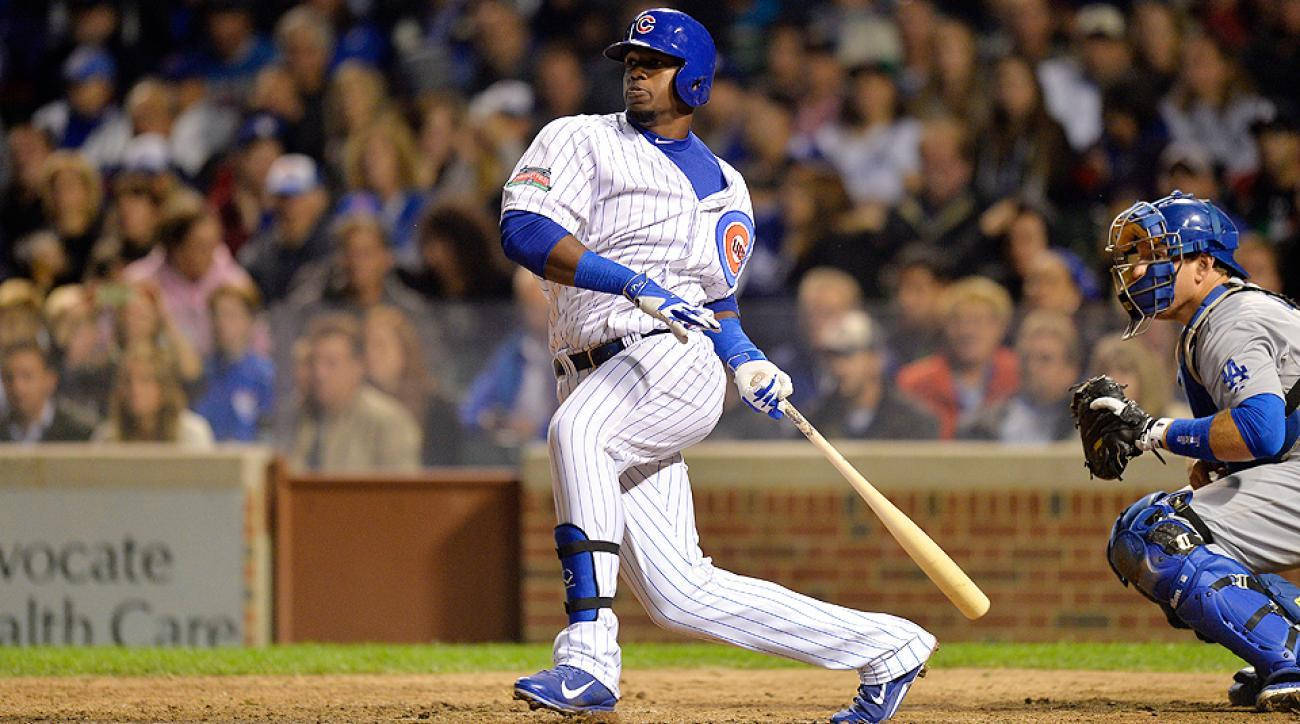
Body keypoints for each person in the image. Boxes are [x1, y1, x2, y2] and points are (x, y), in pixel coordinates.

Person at [497, 10, 935, 722]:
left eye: (654, 60)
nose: (636, 70)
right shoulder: (578, 137)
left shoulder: (725, 184)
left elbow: (715, 300)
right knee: (680, 594)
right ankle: (889, 645)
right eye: (631, 58)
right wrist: (632, 282)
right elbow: (523, 230)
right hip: (595, 363)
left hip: (672, 360)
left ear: (695, 78)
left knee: (577, 433)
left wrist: (746, 359)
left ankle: (588, 655)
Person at [1084, 191, 1300, 711]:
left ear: (1205, 266)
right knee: (1181, 534)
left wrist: (1154, 431)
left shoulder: (1230, 317)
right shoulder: (1214, 322)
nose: (1137, 271)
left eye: (1157, 254)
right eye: (1135, 258)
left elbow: (1261, 430)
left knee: (1158, 535)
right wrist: (1219, 461)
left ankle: (1292, 653)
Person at [288, 314, 421, 472]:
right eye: (314, 362)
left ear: (357, 367)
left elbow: (403, 491)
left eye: (331, 363)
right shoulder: (302, 415)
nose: (319, 373)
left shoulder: (389, 421)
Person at [896, 276, 1019, 439]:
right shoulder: (914, 382)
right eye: (957, 321)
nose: (967, 331)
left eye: (978, 321)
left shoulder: (1020, 375)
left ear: (1000, 327)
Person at [808, 309, 939, 440]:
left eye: (848, 355)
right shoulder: (815, 420)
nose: (839, 367)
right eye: (832, 357)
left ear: (875, 359)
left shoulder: (914, 422)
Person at [361, 305, 460, 466]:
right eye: (366, 346)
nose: (370, 354)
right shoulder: (354, 405)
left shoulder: (437, 410)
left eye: (380, 345)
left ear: (404, 350)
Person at [964, 310, 1081, 442]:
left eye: (1045, 359)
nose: (1031, 367)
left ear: (1071, 369)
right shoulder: (984, 423)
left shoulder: (1087, 425)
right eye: (1026, 358)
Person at [193, 284, 274, 442]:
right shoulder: (200, 372)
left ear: (250, 320)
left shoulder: (266, 376)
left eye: (230, 315)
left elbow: (269, 432)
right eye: (216, 315)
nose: (221, 323)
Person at [93, 343, 214, 447]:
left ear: (164, 387)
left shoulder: (192, 434)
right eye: (127, 382)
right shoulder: (107, 438)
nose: (134, 389)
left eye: (145, 380)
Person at [0, 340, 94, 443]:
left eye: (27, 376)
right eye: (9, 378)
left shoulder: (79, 434)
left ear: (50, 380)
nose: (17, 386)